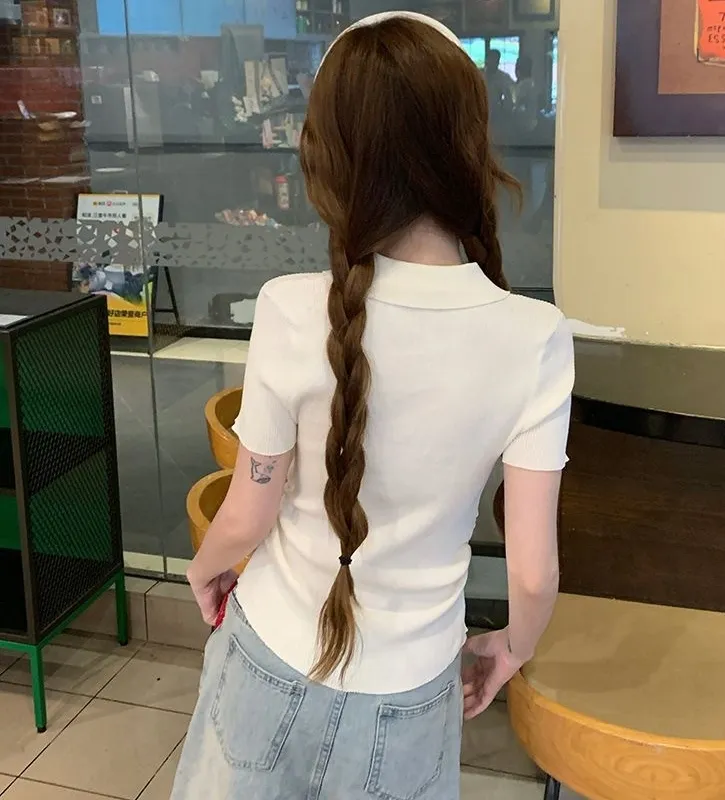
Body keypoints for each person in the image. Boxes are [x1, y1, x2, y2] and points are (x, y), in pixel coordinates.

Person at [171, 11, 573, 800]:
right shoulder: (536, 337)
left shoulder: (289, 307)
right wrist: (513, 648)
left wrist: (206, 568)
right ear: (469, 146)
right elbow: (532, 573)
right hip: (412, 690)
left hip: (270, 656)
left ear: (330, 153)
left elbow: (249, 512)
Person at [484, 47, 515, 115]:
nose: (491, 63)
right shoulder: (479, 74)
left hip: (497, 112)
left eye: (494, 60)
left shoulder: (503, 77)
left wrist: (506, 108)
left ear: (498, 62)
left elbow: (513, 93)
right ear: (486, 60)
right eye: (489, 60)